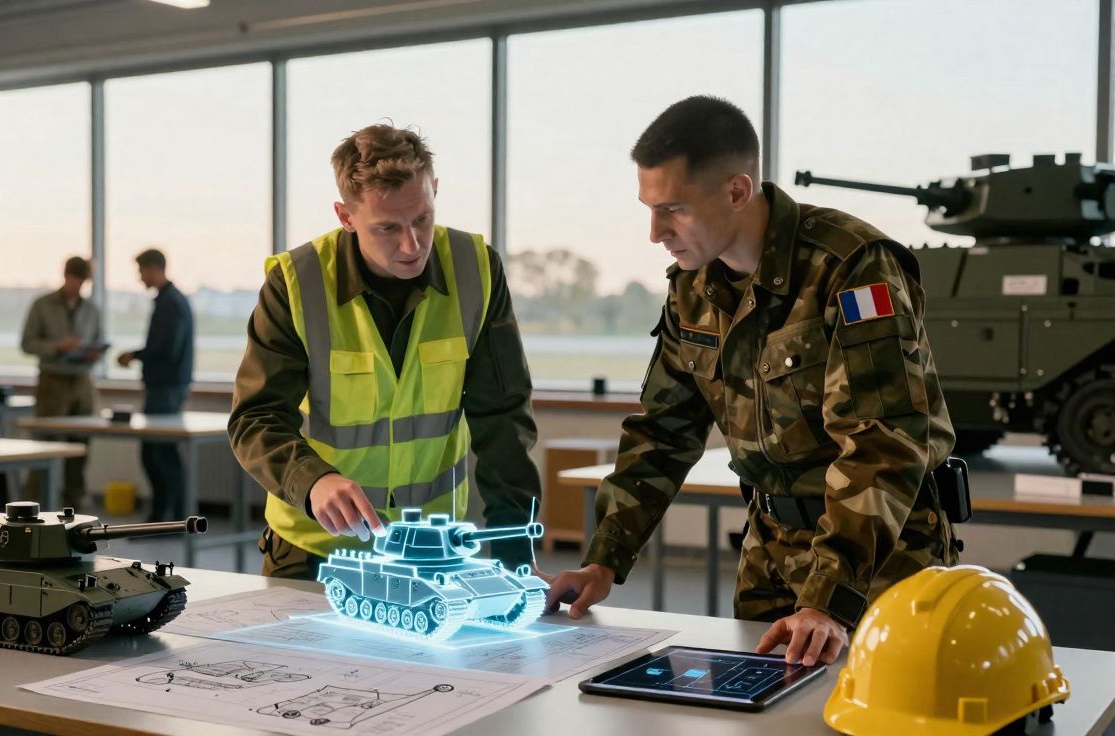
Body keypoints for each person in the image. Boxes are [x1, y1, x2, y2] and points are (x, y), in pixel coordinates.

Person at [544, 96, 959, 667]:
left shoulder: (853, 266)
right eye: (649, 208)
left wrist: (827, 599)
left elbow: (883, 441)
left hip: (877, 558)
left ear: (737, 191)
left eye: (673, 210)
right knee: (761, 712)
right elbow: (663, 430)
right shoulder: (692, 289)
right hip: (770, 549)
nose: (654, 232)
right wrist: (604, 560)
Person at [230, 123, 541, 580]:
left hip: (432, 547)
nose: (412, 244)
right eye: (388, 227)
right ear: (345, 216)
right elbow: (255, 419)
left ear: (434, 190)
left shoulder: (476, 269)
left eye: (422, 219)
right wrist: (313, 481)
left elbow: (504, 421)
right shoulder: (297, 283)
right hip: (314, 548)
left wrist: (516, 556)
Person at [20, 256, 105, 510]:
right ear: (66, 276)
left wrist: (92, 352)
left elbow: (99, 340)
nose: (78, 287)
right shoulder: (43, 305)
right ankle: (32, 504)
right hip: (53, 381)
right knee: (45, 443)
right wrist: (57, 346)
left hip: (82, 381)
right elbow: (27, 343)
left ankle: (74, 502)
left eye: (83, 282)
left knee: (81, 446)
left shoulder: (92, 309)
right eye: (75, 281)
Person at [117, 248, 194, 521]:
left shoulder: (170, 303)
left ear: (154, 269)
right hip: (168, 387)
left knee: (157, 453)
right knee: (162, 452)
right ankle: (172, 515)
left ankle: (166, 516)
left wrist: (134, 355)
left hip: (166, 388)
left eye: (141, 271)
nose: (140, 278)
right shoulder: (171, 301)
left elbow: (166, 349)